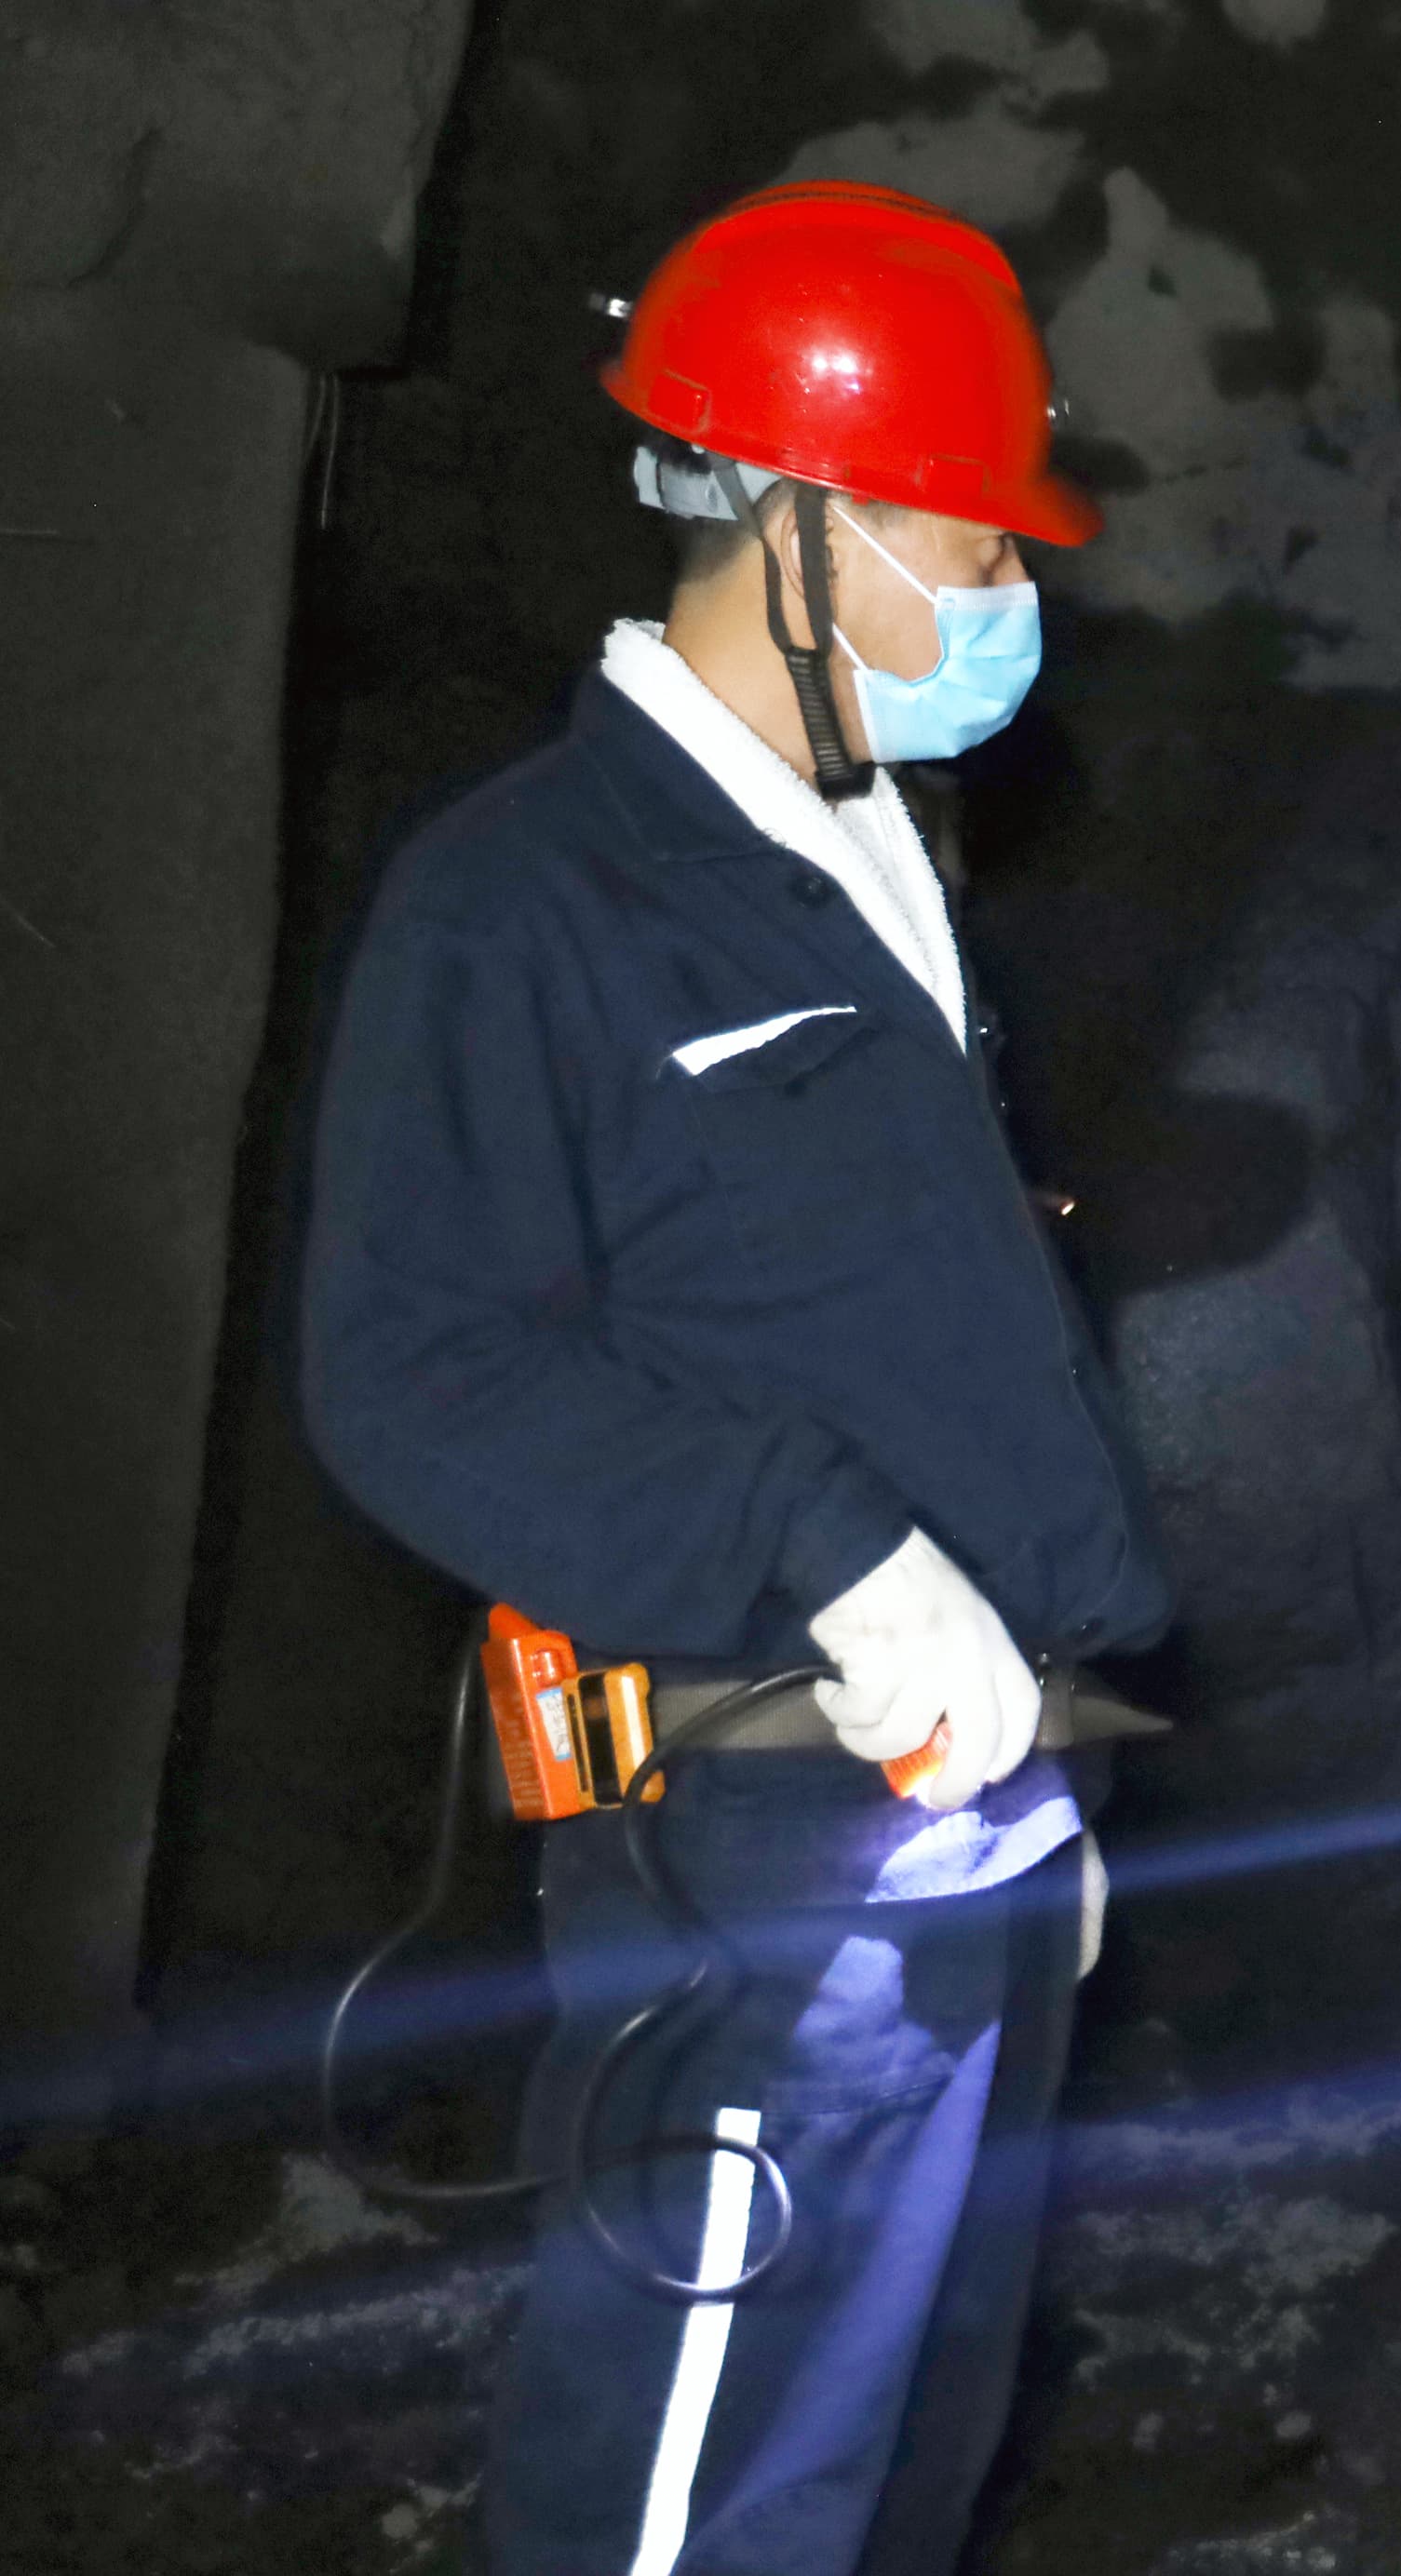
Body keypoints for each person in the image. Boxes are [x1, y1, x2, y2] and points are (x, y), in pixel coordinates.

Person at [302, 181, 1167, 2576]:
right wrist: (826, 1542)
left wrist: (1048, 1764)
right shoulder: (529, 897)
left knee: (899, 2475)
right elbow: (409, 1371)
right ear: (797, 524)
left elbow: (926, 1328)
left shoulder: (875, 852)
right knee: (703, 2503)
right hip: (759, 1853)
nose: (1006, 595)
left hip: (973, 1818)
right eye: (969, 541)